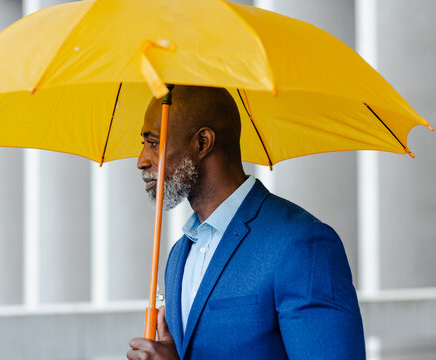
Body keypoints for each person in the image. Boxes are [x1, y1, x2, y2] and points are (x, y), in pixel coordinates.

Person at [127, 85, 365, 360]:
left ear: (203, 142)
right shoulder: (178, 254)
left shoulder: (302, 244)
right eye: (143, 144)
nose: (141, 160)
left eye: (153, 142)